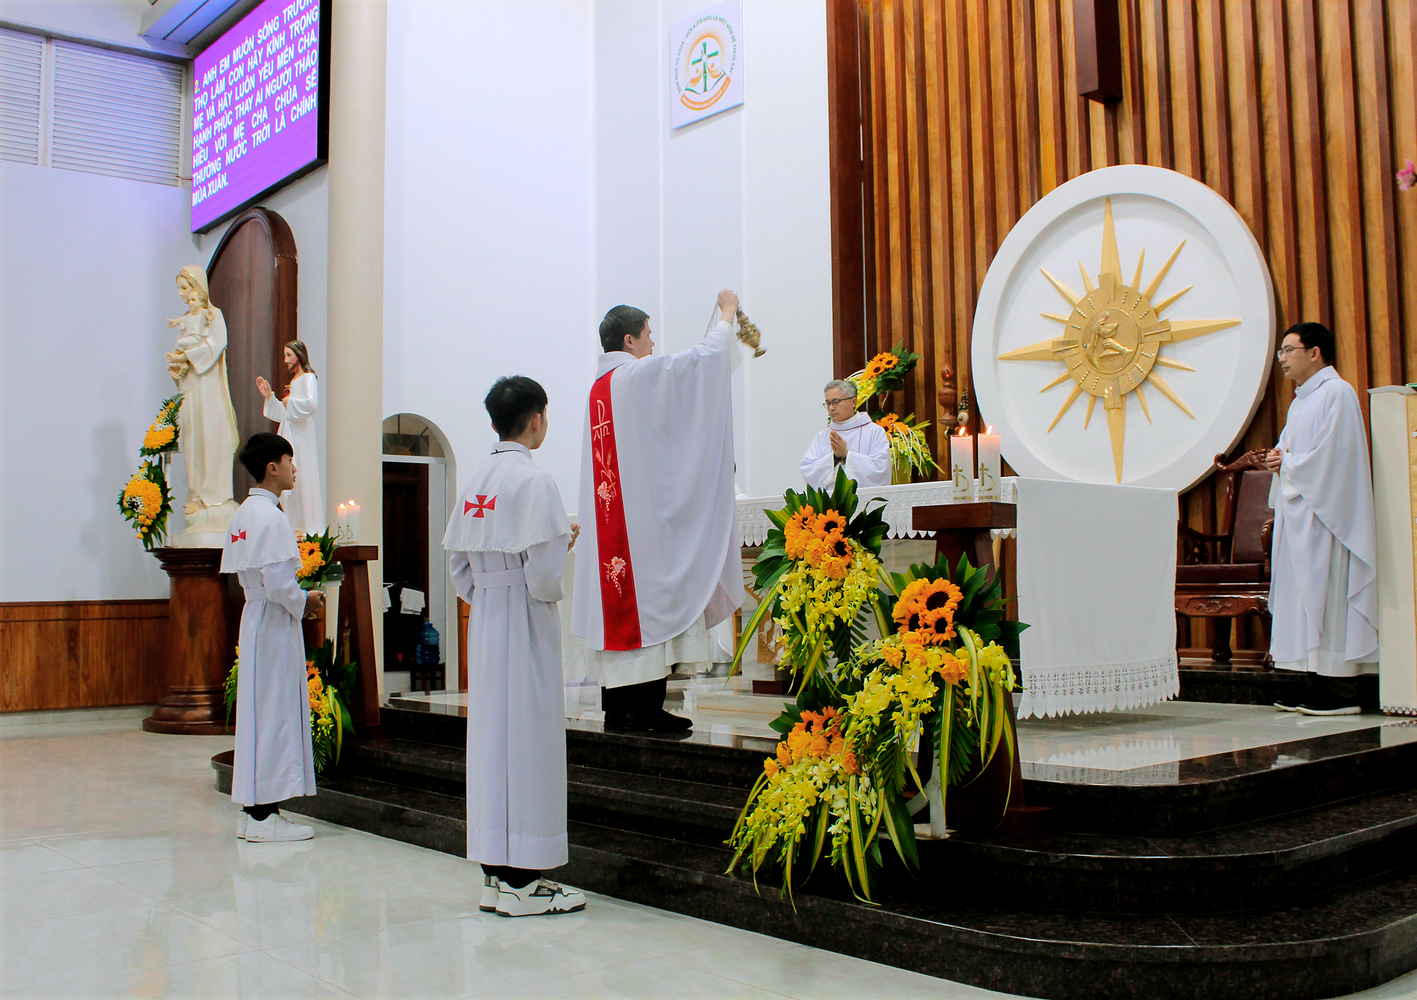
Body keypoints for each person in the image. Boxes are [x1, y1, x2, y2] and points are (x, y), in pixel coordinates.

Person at [572, 290, 751, 733]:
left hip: (616, 527)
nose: (653, 342)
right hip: (638, 534)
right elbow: (701, 363)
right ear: (629, 339)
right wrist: (726, 315)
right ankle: (645, 712)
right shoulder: (634, 376)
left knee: (627, 618)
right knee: (649, 612)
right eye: (649, 334)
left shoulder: (600, 388)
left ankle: (620, 710)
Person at [443, 376, 586, 917]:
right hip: (524, 620)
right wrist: (560, 548)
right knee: (528, 741)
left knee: (491, 742)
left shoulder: (477, 479)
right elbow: (545, 578)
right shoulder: (535, 481)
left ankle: (496, 875)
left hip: (486, 620)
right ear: (537, 418)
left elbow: (458, 565)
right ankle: (525, 881)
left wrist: (488, 592)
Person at [1267, 322, 1378, 716]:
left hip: (1329, 519)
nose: (1282, 359)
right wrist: (1278, 459)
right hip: (1301, 516)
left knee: (1328, 596)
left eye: (1288, 350)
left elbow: (1336, 458)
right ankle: (1314, 680)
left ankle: (1342, 690)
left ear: (1315, 352)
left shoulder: (1337, 393)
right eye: (1280, 351)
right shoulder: (1300, 402)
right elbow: (1290, 450)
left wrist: (1289, 463)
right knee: (1304, 598)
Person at [221, 433, 323, 842]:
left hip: (255, 617)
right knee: (275, 712)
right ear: (272, 467)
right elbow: (280, 583)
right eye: (289, 460)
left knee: (258, 713)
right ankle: (264, 816)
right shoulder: (271, 517)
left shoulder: (244, 514)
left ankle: (255, 811)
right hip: (275, 620)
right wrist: (306, 600)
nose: (294, 469)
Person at [166, 265, 239, 527]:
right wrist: (177, 366)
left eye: (185, 288)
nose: (182, 294)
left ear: (198, 287)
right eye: (180, 289)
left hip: (208, 387)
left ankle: (214, 496)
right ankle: (196, 493)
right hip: (191, 387)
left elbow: (216, 345)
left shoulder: (212, 315)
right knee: (192, 438)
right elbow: (182, 351)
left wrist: (188, 356)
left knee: (211, 436)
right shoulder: (188, 318)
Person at [257, 340, 323, 535]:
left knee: (302, 475)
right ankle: (293, 526)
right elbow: (284, 414)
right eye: (284, 355)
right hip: (290, 432)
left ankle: (308, 527)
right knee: (289, 477)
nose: (285, 360)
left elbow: (312, 404)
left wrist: (290, 401)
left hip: (302, 436)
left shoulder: (308, 378)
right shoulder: (294, 380)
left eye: (289, 355)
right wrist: (269, 397)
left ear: (299, 355)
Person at [800, 379, 891, 489]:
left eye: (836, 402)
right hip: (830, 498)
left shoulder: (874, 432)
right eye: (828, 403)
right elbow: (808, 470)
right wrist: (834, 457)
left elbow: (881, 470)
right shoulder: (822, 436)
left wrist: (847, 455)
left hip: (863, 498)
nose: (831, 408)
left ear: (853, 402)